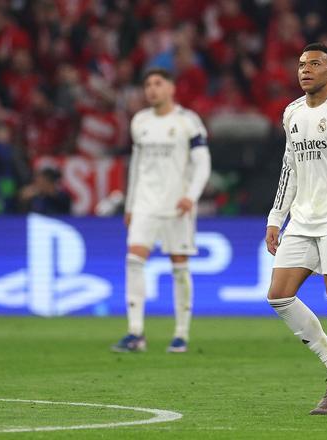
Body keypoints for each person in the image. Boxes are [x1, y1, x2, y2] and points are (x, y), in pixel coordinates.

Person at [265, 43, 327, 415]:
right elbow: (289, 168)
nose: (305, 70)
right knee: (279, 295)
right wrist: (276, 217)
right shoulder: (291, 112)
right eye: (301, 64)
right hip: (302, 219)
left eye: (315, 64)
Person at [112, 68, 211, 354]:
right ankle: (135, 332)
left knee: (179, 266)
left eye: (158, 83)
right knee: (134, 260)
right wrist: (130, 204)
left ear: (171, 88)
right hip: (144, 203)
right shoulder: (140, 121)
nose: (152, 89)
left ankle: (181, 334)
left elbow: (202, 163)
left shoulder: (187, 121)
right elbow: (137, 165)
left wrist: (191, 196)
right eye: (147, 85)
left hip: (176, 205)